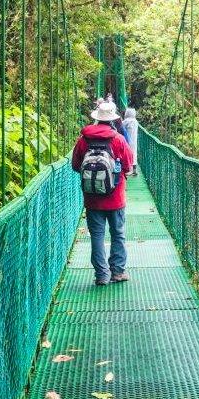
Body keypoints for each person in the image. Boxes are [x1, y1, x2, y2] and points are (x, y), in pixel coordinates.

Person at [71, 101, 134, 285]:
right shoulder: (118, 139)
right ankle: (117, 272)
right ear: (113, 119)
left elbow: (75, 166)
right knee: (118, 234)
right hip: (116, 198)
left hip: (92, 199)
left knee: (97, 235)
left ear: (97, 118)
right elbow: (128, 167)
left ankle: (101, 275)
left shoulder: (83, 139)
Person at [121, 108, 139, 176]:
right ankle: (134, 169)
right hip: (134, 140)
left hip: (127, 140)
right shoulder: (135, 121)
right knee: (134, 153)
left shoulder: (125, 121)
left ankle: (130, 169)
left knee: (128, 153)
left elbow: (121, 128)